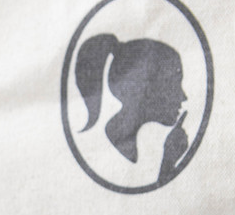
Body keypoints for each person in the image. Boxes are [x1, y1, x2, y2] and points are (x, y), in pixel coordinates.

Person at [75, 33, 188, 186]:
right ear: (145, 89)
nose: (183, 97)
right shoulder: (105, 156)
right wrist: (168, 162)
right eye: (173, 85)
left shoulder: (135, 149)